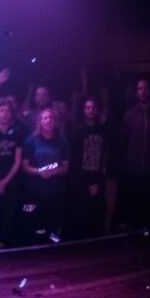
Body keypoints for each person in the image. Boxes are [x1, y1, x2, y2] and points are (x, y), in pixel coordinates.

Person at [118, 78, 150, 229]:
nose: (143, 91)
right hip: (133, 170)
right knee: (134, 205)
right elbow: (123, 143)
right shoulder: (129, 115)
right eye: (140, 89)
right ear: (136, 93)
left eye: (145, 88)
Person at [20, 108, 70, 244]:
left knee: (53, 221)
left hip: (55, 191)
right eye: (45, 118)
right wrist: (39, 172)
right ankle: (33, 245)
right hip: (33, 191)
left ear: (55, 122)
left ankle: (53, 247)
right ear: (40, 122)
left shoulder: (62, 141)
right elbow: (24, 166)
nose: (48, 121)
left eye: (51, 118)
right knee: (31, 218)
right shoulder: (31, 141)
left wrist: (53, 171)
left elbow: (66, 167)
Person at [67, 97, 110, 239]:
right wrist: (88, 183)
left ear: (97, 110)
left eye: (93, 108)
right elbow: (75, 158)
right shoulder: (78, 130)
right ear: (84, 110)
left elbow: (105, 154)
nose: (90, 110)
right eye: (88, 108)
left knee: (97, 213)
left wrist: (98, 182)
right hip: (81, 179)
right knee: (81, 214)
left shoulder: (103, 129)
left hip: (98, 177)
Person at [0, 98, 26, 247]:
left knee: (9, 213)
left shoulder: (17, 133)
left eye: (7, 111)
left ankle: (5, 242)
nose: (4, 114)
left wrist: (5, 181)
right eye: (2, 111)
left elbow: (18, 160)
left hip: (11, 179)